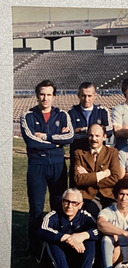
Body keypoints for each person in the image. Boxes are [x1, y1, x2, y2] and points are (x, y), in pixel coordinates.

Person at [20, 79, 74, 257]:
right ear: (37, 95)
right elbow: (31, 141)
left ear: (54, 96)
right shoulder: (27, 115)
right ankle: (34, 248)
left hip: (58, 166)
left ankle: (56, 246)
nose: (45, 98)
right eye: (42, 94)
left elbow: (69, 137)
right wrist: (55, 142)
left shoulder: (62, 115)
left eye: (49, 94)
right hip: (37, 166)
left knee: (59, 206)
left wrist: (47, 136)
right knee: (36, 208)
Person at [38, 188, 98, 268]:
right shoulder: (53, 215)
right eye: (66, 201)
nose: (69, 206)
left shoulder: (85, 217)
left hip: (78, 255)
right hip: (57, 260)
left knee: (90, 239)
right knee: (52, 240)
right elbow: (42, 230)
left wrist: (83, 235)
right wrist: (67, 238)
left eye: (74, 203)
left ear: (80, 205)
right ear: (62, 201)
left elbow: (97, 231)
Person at [68, 82, 112, 186]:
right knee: (76, 189)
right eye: (83, 95)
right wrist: (95, 132)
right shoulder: (71, 113)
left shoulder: (103, 111)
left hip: (98, 158)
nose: (86, 99)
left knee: (98, 188)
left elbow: (109, 131)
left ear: (95, 96)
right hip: (78, 158)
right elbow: (70, 136)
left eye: (89, 96)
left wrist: (82, 129)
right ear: (79, 95)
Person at [73, 123, 121, 218]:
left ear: (104, 137)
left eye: (97, 136)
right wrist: (102, 174)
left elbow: (115, 178)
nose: (94, 139)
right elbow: (78, 179)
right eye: (91, 135)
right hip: (88, 195)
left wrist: (89, 176)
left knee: (113, 217)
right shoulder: (79, 153)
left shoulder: (112, 152)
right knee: (90, 216)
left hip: (108, 195)